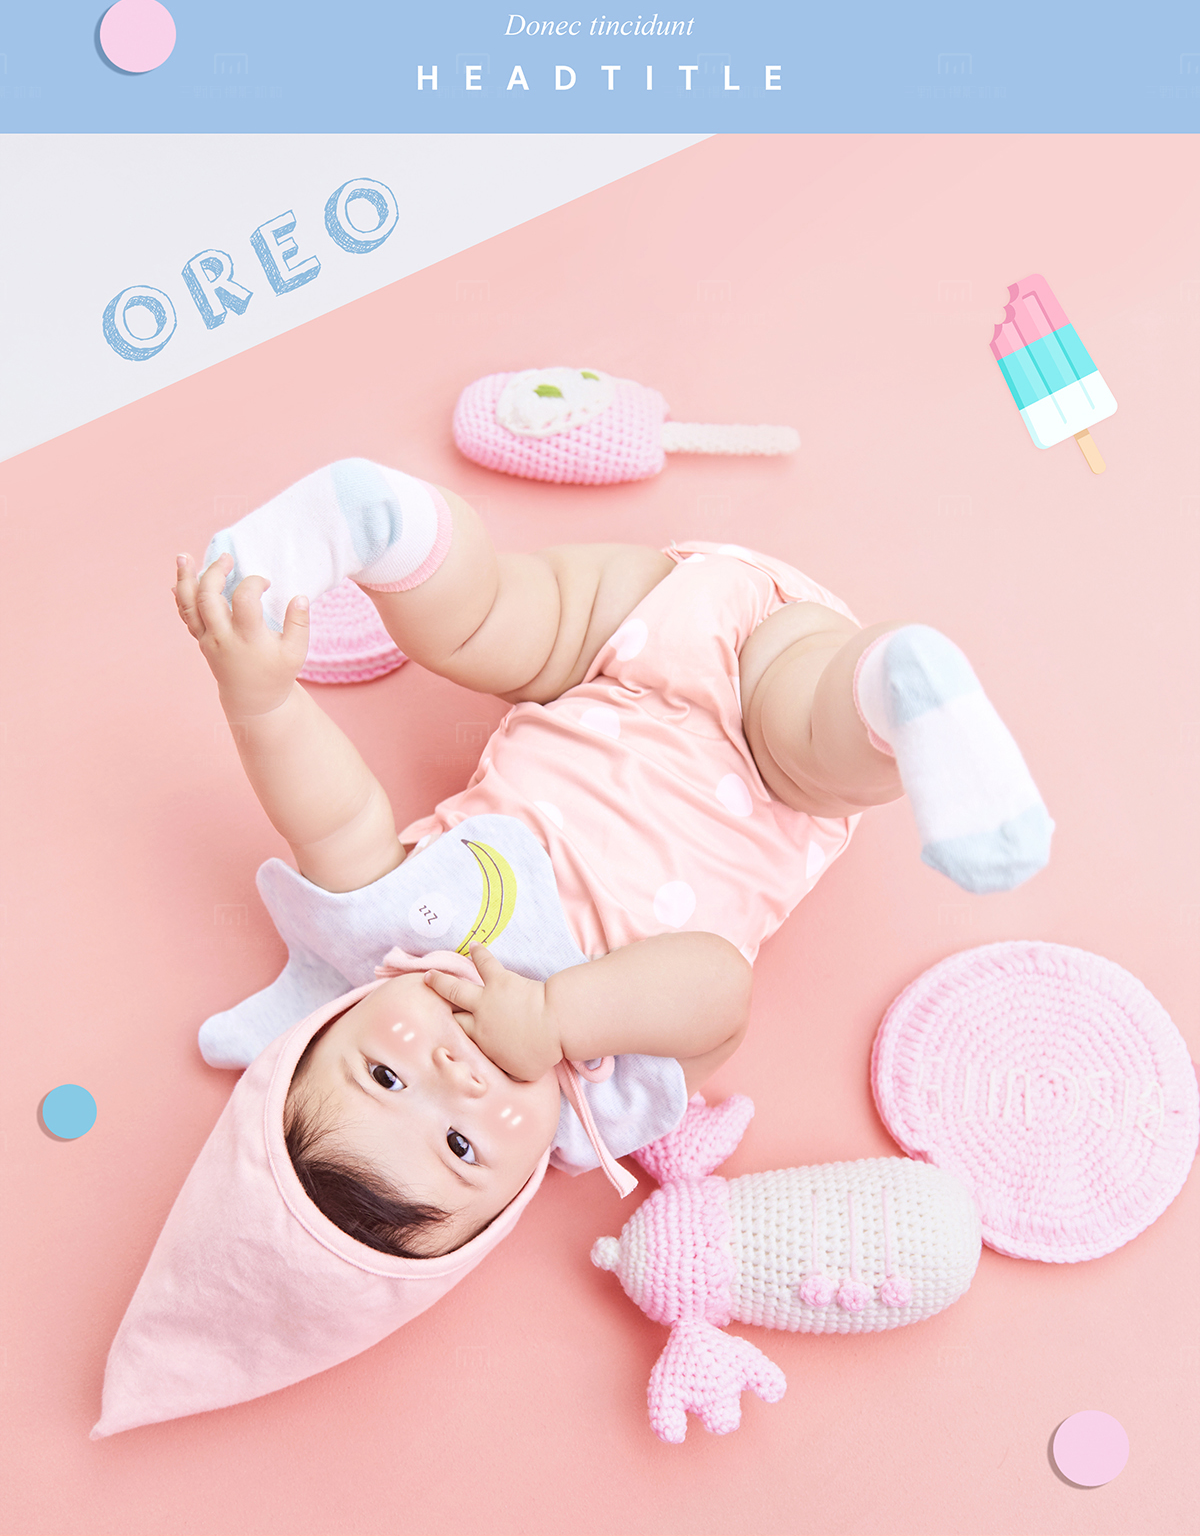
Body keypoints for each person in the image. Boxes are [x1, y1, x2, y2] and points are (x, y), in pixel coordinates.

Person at [173, 459, 1052, 1261]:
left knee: (481, 623)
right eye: (461, 1146)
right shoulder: (597, 1102)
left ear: (329, 1027)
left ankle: (387, 526)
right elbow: (719, 990)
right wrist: (557, 1018)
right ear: (516, 1194)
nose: (452, 1079)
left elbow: (335, 816)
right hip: (768, 747)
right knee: (825, 754)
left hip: (613, 648)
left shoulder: (388, 940)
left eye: (384, 1075)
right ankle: (900, 688)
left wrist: (260, 699)